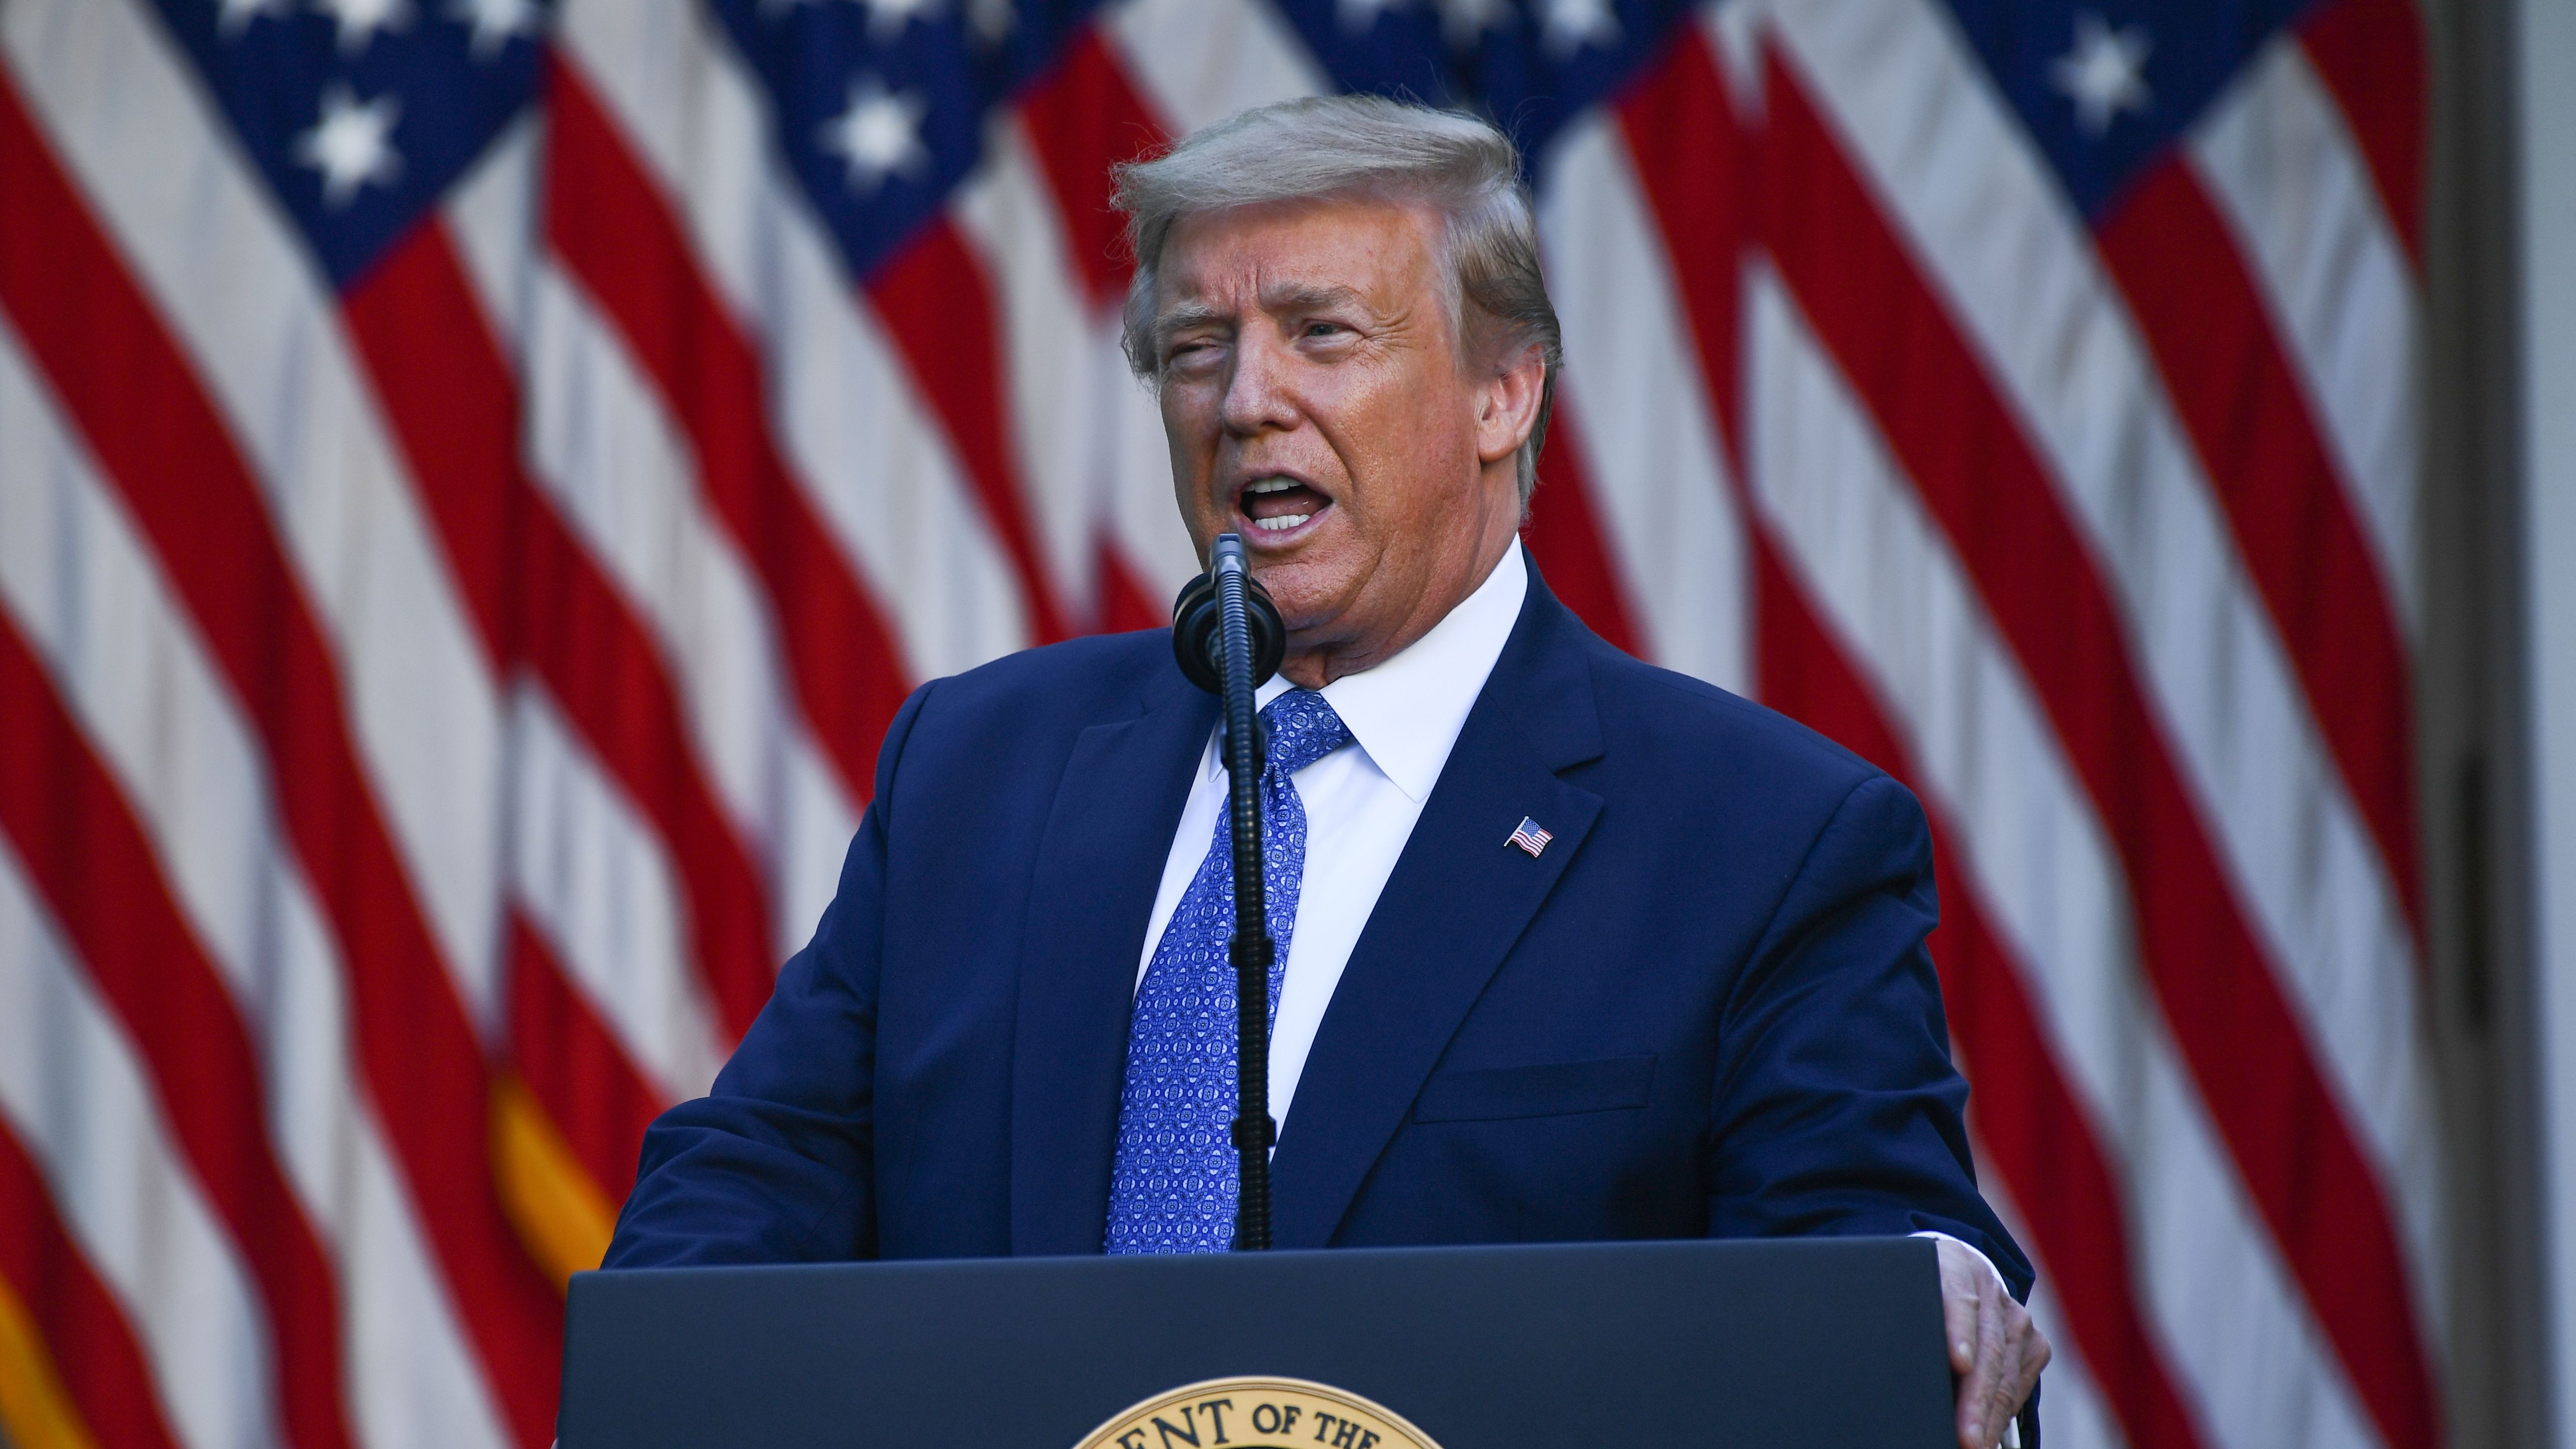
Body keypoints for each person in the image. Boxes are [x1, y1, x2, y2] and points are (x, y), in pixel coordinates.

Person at [606, 93, 2049, 1449]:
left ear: (1503, 394)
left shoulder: (1761, 839)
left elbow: (1871, 1262)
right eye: (1197, 348)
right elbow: (759, 1172)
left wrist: (1921, 1281)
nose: (1247, 400)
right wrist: (649, 1380)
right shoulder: (978, 772)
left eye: (1323, 334)